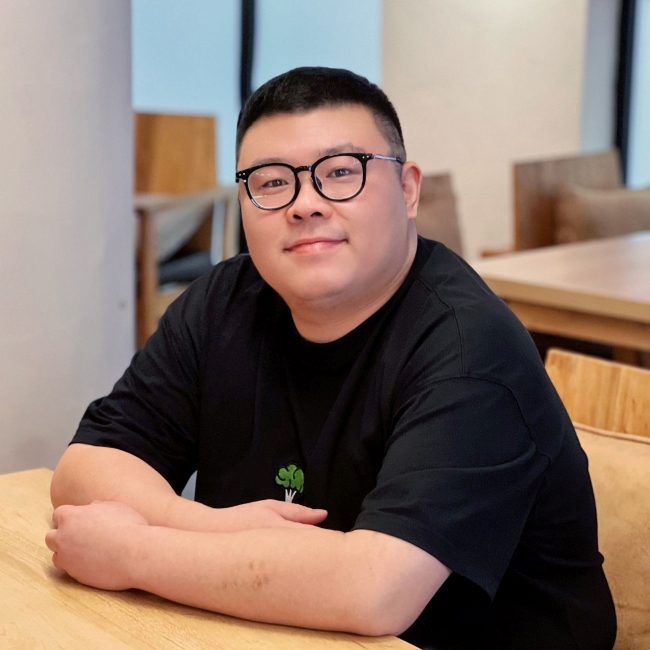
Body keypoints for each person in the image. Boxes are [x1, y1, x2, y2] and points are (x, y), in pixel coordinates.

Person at [46, 67, 616, 649]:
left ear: (408, 189)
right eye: (272, 182)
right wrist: (213, 524)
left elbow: (375, 591)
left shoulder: (472, 347)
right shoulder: (223, 301)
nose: (305, 204)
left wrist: (134, 551)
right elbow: (86, 467)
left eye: (341, 172)